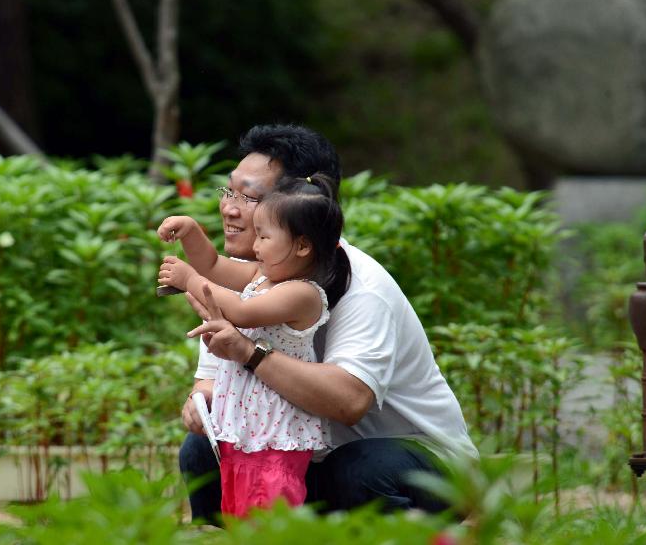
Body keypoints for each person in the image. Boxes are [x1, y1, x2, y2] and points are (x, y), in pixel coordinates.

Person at [178, 124, 478, 523]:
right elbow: (211, 379)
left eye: (249, 197)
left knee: (360, 469)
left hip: (414, 459)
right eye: (229, 191)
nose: (230, 208)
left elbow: (348, 402)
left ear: (303, 210)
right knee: (202, 449)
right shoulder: (244, 279)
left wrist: (249, 353)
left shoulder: (362, 286)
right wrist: (201, 402)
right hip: (309, 455)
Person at [157, 173, 350, 518]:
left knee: (268, 509)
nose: (255, 246)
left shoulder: (302, 293)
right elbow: (214, 266)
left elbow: (243, 312)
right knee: (241, 507)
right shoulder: (263, 275)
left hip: (275, 431)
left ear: (303, 246)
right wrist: (191, 231)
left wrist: (189, 280)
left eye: (263, 236)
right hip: (248, 425)